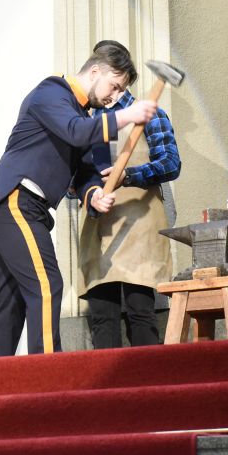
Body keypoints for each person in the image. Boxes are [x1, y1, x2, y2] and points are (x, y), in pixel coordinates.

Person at [0, 43, 157, 357]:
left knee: (10, 298)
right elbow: (76, 132)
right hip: (15, 199)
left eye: (120, 92)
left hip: (21, 207)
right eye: (115, 86)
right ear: (95, 70)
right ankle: (48, 375)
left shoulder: (79, 112)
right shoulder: (51, 92)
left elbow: (83, 169)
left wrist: (93, 193)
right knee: (47, 286)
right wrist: (126, 116)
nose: (114, 96)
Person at [77, 40, 181, 349]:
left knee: (140, 311)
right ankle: (107, 393)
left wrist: (129, 176)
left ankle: (148, 387)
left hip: (140, 224)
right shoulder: (85, 122)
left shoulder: (151, 115)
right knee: (102, 315)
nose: (108, 92)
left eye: (115, 84)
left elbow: (171, 164)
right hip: (101, 222)